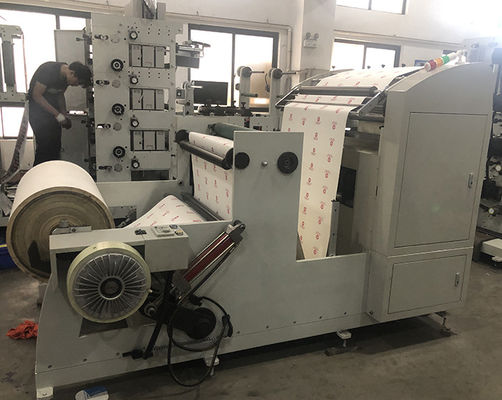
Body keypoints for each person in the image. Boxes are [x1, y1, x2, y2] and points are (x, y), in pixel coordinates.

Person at [28, 61, 92, 166]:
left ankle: (54, 173)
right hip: (38, 112)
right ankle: (39, 173)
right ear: (72, 73)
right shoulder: (48, 71)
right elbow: (37, 96)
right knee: (45, 146)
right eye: (78, 82)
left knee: (55, 146)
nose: (76, 85)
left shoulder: (65, 79)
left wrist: (64, 115)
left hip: (52, 113)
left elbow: (60, 95)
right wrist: (58, 115)